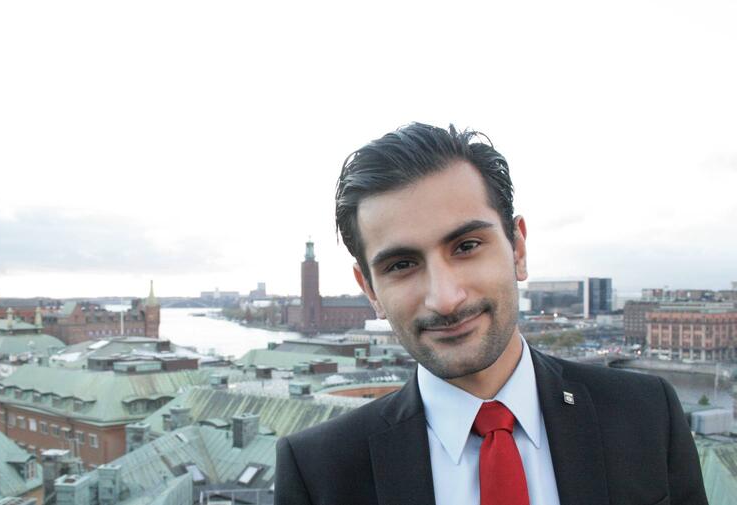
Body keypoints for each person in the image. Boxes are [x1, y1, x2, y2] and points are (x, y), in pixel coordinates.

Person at [274, 123, 708, 505]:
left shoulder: (647, 414)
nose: (445, 299)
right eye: (402, 265)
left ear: (518, 249)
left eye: (466, 246)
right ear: (370, 289)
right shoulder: (319, 473)